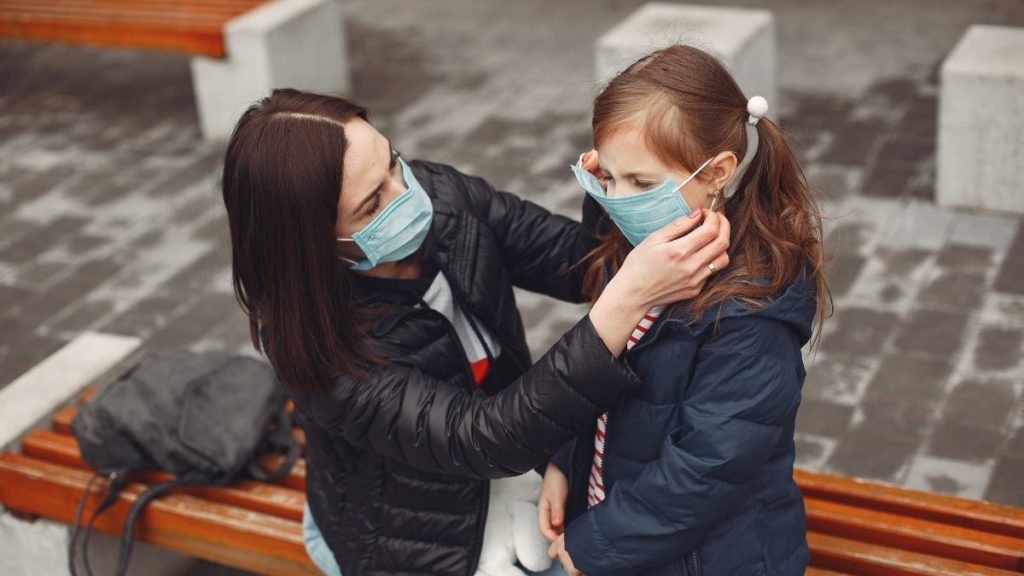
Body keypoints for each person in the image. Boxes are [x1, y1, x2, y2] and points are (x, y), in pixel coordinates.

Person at [220, 89, 731, 576]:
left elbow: (576, 264)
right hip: (410, 537)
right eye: (373, 204)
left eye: (393, 160)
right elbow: (483, 439)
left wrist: (620, 196)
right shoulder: (317, 349)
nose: (409, 194)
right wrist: (627, 300)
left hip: (509, 465)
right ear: (311, 243)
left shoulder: (442, 195)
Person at [537, 45, 829, 576]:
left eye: (642, 184)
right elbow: (597, 376)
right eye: (607, 177)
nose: (619, 200)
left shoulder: (752, 307)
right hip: (618, 527)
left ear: (717, 171)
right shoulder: (635, 246)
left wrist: (597, 543)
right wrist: (564, 462)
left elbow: (707, 468)